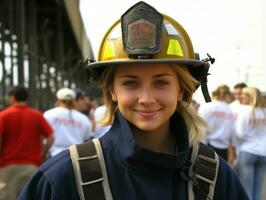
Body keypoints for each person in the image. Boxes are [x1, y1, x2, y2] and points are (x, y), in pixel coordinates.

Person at [18, 2, 248, 199]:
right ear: (112, 91)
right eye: (130, 83)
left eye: (161, 82)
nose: (146, 99)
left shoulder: (217, 177)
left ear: (182, 90)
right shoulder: (64, 178)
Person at [0, 85, 54, 200]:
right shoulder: (36, 115)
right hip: (32, 166)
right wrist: (43, 154)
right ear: (27, 99)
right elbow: (51, 137)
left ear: (13, 98)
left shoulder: (3, 115)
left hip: (7, 166)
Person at [235, 87, 266, 200]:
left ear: (250, 97)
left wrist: (249, 138)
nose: (241, 96)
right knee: (257, 189)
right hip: (263, 153)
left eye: (244, 94)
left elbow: (239, 133)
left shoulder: (245, 111)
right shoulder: (264, 111)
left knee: (246, 189)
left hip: (248, 150)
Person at [44, 88, 93, 156]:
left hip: (54, 156)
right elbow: (87, 139)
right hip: (77, 156)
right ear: (73, 100)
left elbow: (44, 137)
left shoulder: (49, 114)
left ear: (58, 99)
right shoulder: (84, 118)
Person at [198, 85, 235, 163]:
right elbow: (232, 131)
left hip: (208, 145)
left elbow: (201, 126)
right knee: (220, 172)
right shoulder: (230, 109)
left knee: (207, 173)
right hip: (224, 147)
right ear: (226, 94)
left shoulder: (207, 106)